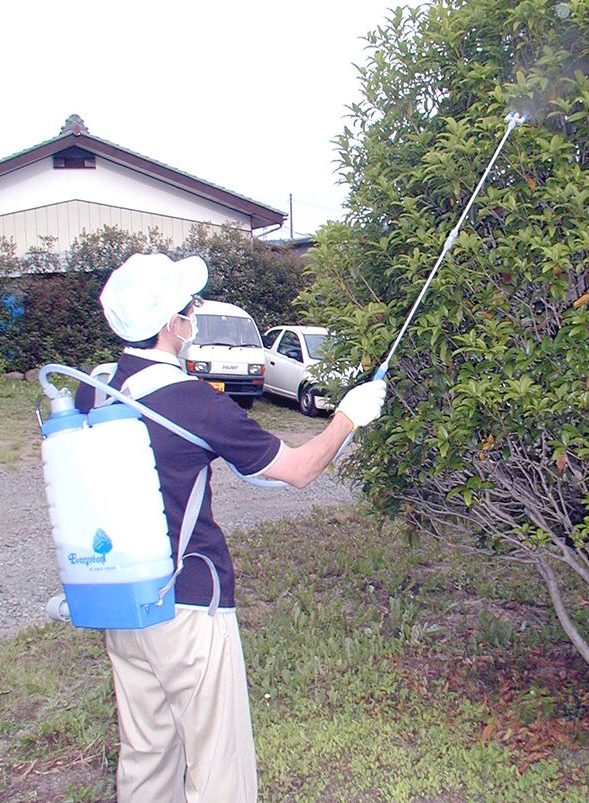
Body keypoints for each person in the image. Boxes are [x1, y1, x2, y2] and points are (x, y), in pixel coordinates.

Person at [75, 252, 386, 802]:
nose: (193, 315)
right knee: (219, 767)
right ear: (171, 323)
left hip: (122, 600)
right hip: (190, 604)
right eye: (188, 306)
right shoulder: (190, 401)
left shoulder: (91, 392)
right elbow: (299, 471)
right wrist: (351, 415)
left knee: (146, 756)